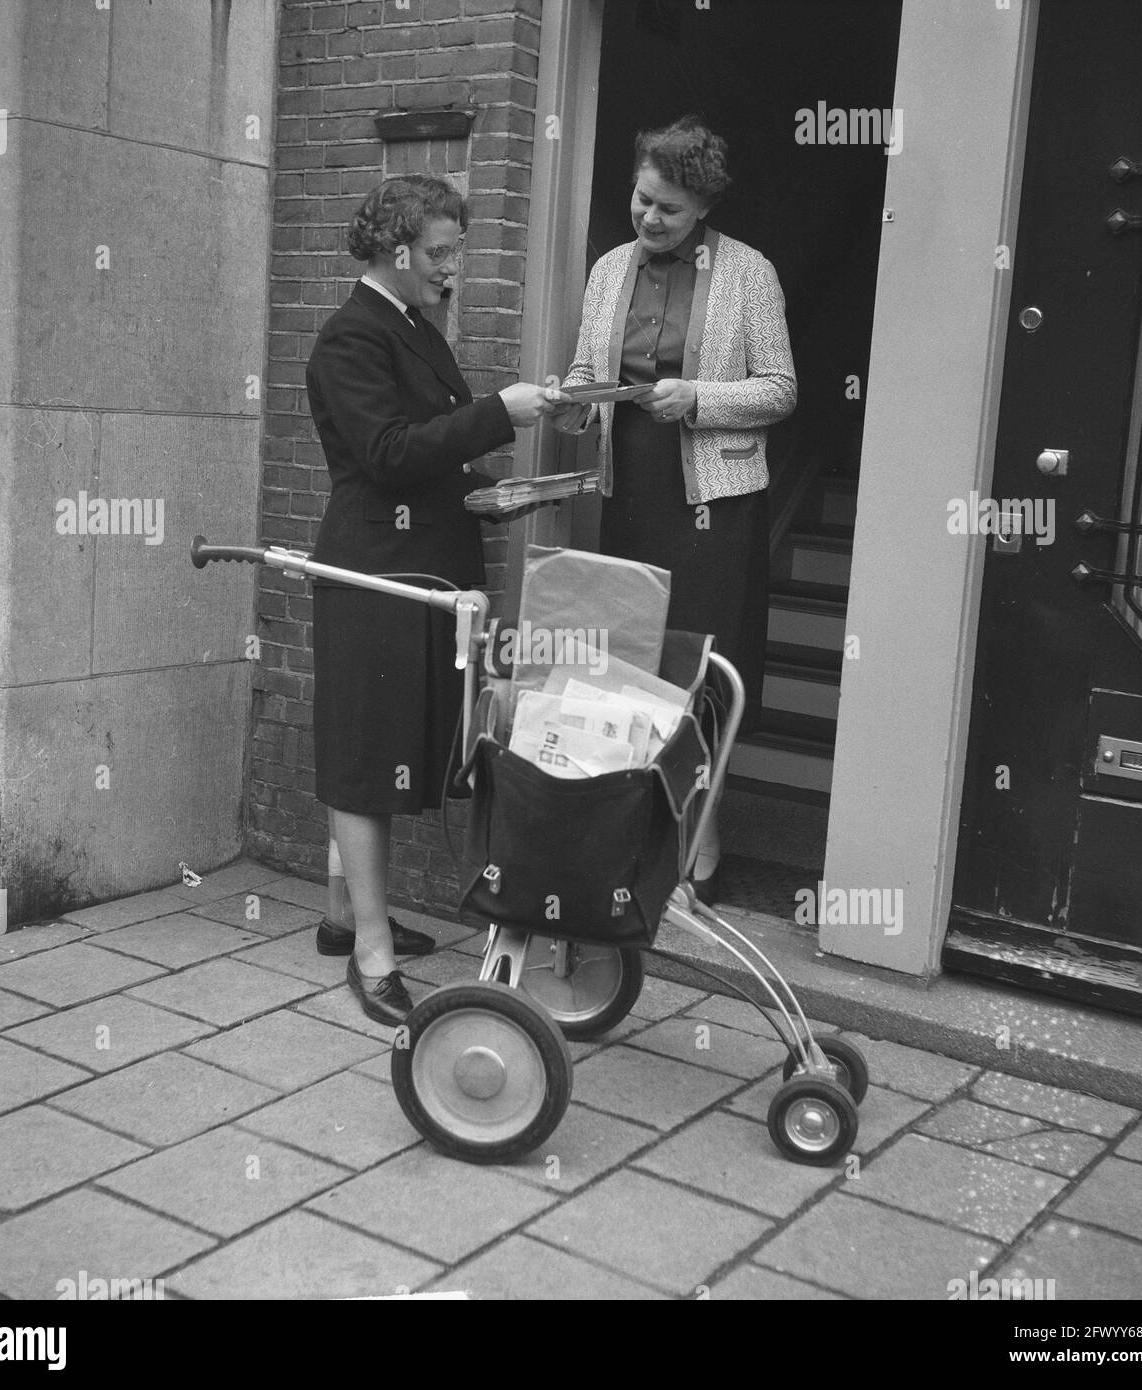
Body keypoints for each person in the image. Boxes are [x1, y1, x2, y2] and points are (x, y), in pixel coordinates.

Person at [306, 174, 566, 1024]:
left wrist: (490, 491)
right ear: (397, 250)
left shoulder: (412, 324)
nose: (453, 268)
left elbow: (427, 455)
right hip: (375, 573)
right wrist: (499, 411)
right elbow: (384, 454)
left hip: (420, 569)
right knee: (363, 751)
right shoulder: (351, 337)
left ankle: (346, 916)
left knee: (386, 742)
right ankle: (373, 956)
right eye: (443, 252)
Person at [551, 115, 797, 904]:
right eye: (642, 198)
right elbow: (589, 372)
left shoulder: (749, 273)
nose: (648, 218)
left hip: (714, 508)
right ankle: (637, 828)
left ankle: (702, 834)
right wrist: (571, 401)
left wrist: (695, 397)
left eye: (668, 210)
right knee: (634, 665)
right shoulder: (608, 270)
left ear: (702, 211)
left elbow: (780, 391)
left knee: (704, 673)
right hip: (633, 497)